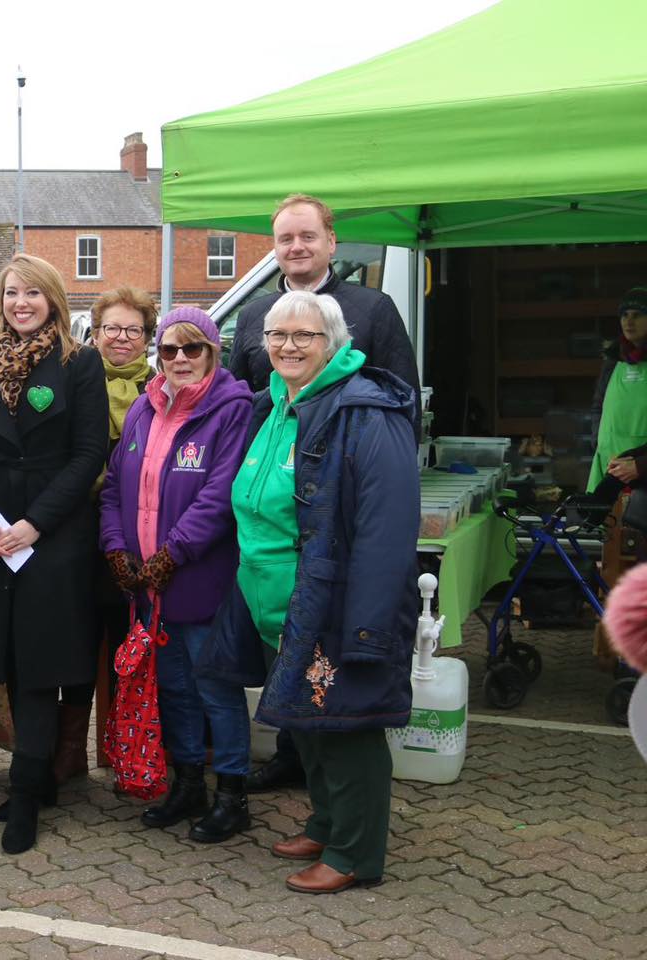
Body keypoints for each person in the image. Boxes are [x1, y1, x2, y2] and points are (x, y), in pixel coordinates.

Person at [199, 290, 418, 893]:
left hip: (332, 603)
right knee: (308, 723)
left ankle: (354, 854)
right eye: (278, 335)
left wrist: (367, 625)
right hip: (276, 604)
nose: (289, 346)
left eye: (306, 336)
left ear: (336, 343)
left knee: (347, 726)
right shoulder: (278, 404)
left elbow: (386, 527)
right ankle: (325, 823)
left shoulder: (363, 411)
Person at [228, 193, 421, 794]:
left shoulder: (372, 308)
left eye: (308, 236)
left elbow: (399, 403)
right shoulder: (257, 311)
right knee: (293, 659)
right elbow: (243, 409)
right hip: (277, 524)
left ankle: (343, 811)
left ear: (332, 242)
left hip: (336, 509)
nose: (297, 247)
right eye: (286, 238)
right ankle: (295, 761)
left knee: (331, 666)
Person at [0, 253, 109, 854]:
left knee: (40, 666)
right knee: (9, 661)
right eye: (11, 292)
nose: (20, 302)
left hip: (51, 533)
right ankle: (35, 775)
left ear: (53, 299)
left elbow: (89, 453)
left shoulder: (80, 362)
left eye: (32, 293)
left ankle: (24, 794)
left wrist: (36, 523)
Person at [99, 306, 255, 842]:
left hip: (197, 580)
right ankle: (188, 782)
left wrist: (172, 554)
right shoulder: (144, 410)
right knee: (174, 688)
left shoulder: (232, 410)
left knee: (215, 688)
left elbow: (219, 495)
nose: (181, 359)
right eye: (170, 350)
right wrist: (117, 550)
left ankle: (232, 794)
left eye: (194, 349)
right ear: (157, 356)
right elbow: (115, 488)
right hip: (147, 587)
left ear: (213, 353)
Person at [66, 287, 161, 785]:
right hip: (81, 528)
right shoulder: (78, 381)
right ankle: (71, 751)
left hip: (139, 535)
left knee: (131, 643)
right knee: (82, 638)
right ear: (95, 333)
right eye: (112, 328)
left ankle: (128, 751)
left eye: (134, 329)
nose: (122, 338)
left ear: (147, 337)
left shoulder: (161, 387)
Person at [588, 286, 647, 496]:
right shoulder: (613, 360)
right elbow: (598, 406)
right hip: (608, 468)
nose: (629, 321)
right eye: (624, 315)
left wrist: (640, 465)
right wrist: (598, 441)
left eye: (638, 315)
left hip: (641, 476)